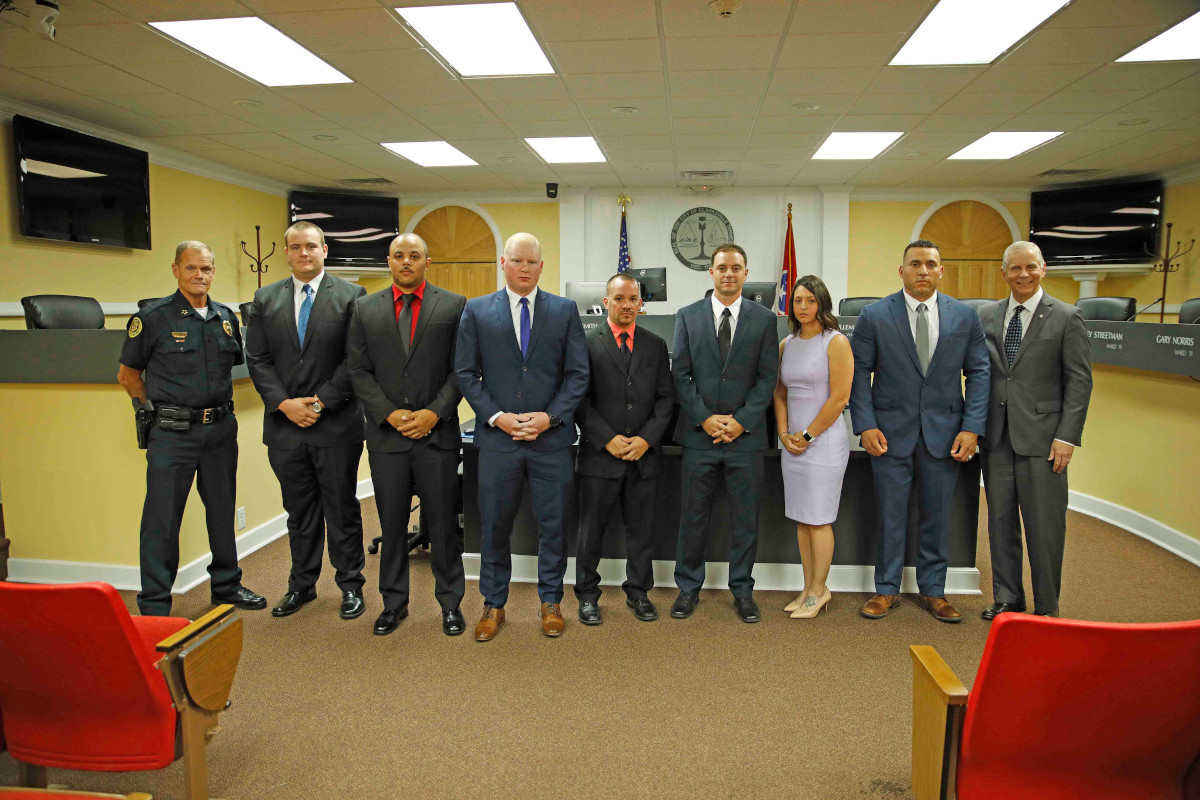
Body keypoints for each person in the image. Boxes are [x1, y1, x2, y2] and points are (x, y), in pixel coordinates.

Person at [117, 241, 266, 616]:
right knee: (162, 520)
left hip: (219, 429)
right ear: (175, 270)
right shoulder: (153, 317)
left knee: (221, 509)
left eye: (206, 269)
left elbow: (234, 363)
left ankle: (227, 585)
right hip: (172, 434)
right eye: (191, 269)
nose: (199, 276)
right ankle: (154, 604)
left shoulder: (225, 317)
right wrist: (150, 412)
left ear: (213, 272)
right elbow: (128, 375)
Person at [455, 232, 588, 641]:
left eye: (532, 262)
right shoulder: (476, 311)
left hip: (551, 443)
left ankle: (551, 602)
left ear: (542, 267)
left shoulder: (564, 311)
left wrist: (550, 418)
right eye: (517, 261)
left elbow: (577, 374)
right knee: (495, 525)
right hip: (498, 442)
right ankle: (493, 605)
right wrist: (496, 417)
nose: (525, 268)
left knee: (553, 525)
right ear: (503, 263)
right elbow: (465, 373)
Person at [849, 239, 989, 624]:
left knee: (937, 515)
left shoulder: (965, 316)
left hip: (946, 435)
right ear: (902, 270)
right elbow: (859, 373)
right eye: (915, 263)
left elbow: (978, 372)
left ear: (941, 270)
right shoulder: (875, 315)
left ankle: (934, 591)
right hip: (889, 434)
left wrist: (972, 428)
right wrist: (865, 425)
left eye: (930, 264)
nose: (923, 270)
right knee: (891, 515)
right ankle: (886, 590)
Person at [244, 222, 368, 622]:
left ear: (325, 250)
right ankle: (302, 585)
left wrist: (317, 404)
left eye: (311, 246)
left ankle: (350, 586)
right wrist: (283, 404)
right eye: (296, 247)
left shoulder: (351, 297)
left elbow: (356, 360)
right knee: (299, 512)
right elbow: (258, 359)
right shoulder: (265, 298)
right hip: (284, 427)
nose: (304, 253)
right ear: (286, 253)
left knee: (341, 508)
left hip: (335, 425)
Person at [347, 233, 468, 636]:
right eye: (399, 256)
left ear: (426, 262)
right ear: (389, 261)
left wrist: (434, 413)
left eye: (414, 256)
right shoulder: (364, 309)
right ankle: (393, 604)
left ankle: (450, 604)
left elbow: (461, 370)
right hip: (388, 439)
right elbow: (358, 371)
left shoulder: (452, 305)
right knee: (392, 524)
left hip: (437, 437)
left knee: (444, 525)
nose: (406, 262)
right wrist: (388, 413)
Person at [978, 241, 1092, 619]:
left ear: (1044, 269)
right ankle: (1009, 598)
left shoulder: (1066, 316)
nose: (1023, 275)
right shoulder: (987, 316)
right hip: (996, 439)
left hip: (1045, 442)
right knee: (1001, 524)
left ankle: (1046, 608)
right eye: (1015, 268)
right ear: (1004, 273)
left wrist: (1067, 437)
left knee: (1044, 530)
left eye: (1030, 267)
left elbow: (1079, 382)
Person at [670, 243, 779, 624]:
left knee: (745, 518)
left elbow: (768, 378)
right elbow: (680, 375)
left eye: (736, 267)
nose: (728, 273)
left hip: (745, 438)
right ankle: (687, 588)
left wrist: (740, 421)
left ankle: (743, 591)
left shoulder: (765, 320)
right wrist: (704, 417)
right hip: (699, 437)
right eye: (721, 267)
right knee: (692, 516)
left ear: (746, 273)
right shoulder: (687, 316)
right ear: (711, 273)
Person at [574, 272, 675, 625]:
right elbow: (580, 401)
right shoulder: (586, 344)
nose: (627, 305)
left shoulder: (655, 344)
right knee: (591, 532)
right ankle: (587, 596)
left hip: (643, 457)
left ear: (640, 303)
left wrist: (646, 439)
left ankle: (638, 592)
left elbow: (666, 400)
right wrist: (608, 438)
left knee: (641, 530)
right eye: (619, 299)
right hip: (600, 456)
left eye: (633, 299)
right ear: (606, 302)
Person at [773, 275, 852, 619]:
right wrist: (783, 433)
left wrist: (806, 436)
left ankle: (820, 591)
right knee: (803, 520)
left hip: (824, 443)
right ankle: (808, 587)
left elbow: (839, 399)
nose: (803, 307)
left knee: (819, 520)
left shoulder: (835, 342)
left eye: (810, 300)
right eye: (798, 301)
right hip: (792, 445)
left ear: (822, 303)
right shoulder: (786, 343)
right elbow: (780, 393)